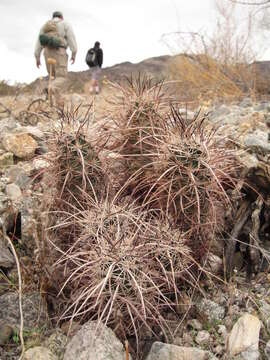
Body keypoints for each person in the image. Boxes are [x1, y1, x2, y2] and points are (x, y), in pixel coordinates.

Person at [34, 11, 77, 79]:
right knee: (61, 78)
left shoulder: (45, 26)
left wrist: (37, 58)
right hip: (60, 52)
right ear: (61, 17)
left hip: (47, 52)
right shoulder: (65, 24)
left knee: (52, 77)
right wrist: (73, 54)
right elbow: (71, 38)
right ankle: (49, 89)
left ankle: (49, 88)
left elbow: (39, 42)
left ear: (53, 17)